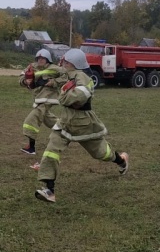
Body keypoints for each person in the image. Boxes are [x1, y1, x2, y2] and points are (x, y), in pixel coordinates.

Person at [34, 48, 129, 203]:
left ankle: (121, 160)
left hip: (83, 123)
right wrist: (36, 79)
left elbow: (81, 94)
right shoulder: (66, 74)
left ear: (72, 63)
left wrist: (63, 96)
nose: (62, 63)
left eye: (64, 61)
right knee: (51, 151)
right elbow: (55, 79)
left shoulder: (83, 77)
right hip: (65, 122)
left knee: (101, 153)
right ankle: (49, 190)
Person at [19, 49, 65, 156]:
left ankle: (31, 147)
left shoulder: (54, 68)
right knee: (48, 120)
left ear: (47, 59)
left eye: (43, 58)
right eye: (39, 58)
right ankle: (66, 131)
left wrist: (53, 82)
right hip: (38, 98)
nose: (40, 60)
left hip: (48, 99)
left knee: (31, 120)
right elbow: (21, 76)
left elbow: (66, 76)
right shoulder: (31, 67)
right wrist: (25, 81)